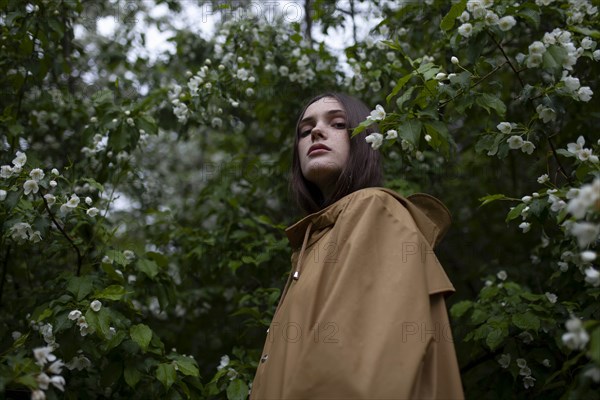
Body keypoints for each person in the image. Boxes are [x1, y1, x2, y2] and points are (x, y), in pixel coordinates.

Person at [250, 92, 464, 399]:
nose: (315, 132)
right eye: (304, 130)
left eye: (337, 124)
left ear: (364, 141)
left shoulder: (374, 211)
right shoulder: (315, 243)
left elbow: (350, 378)